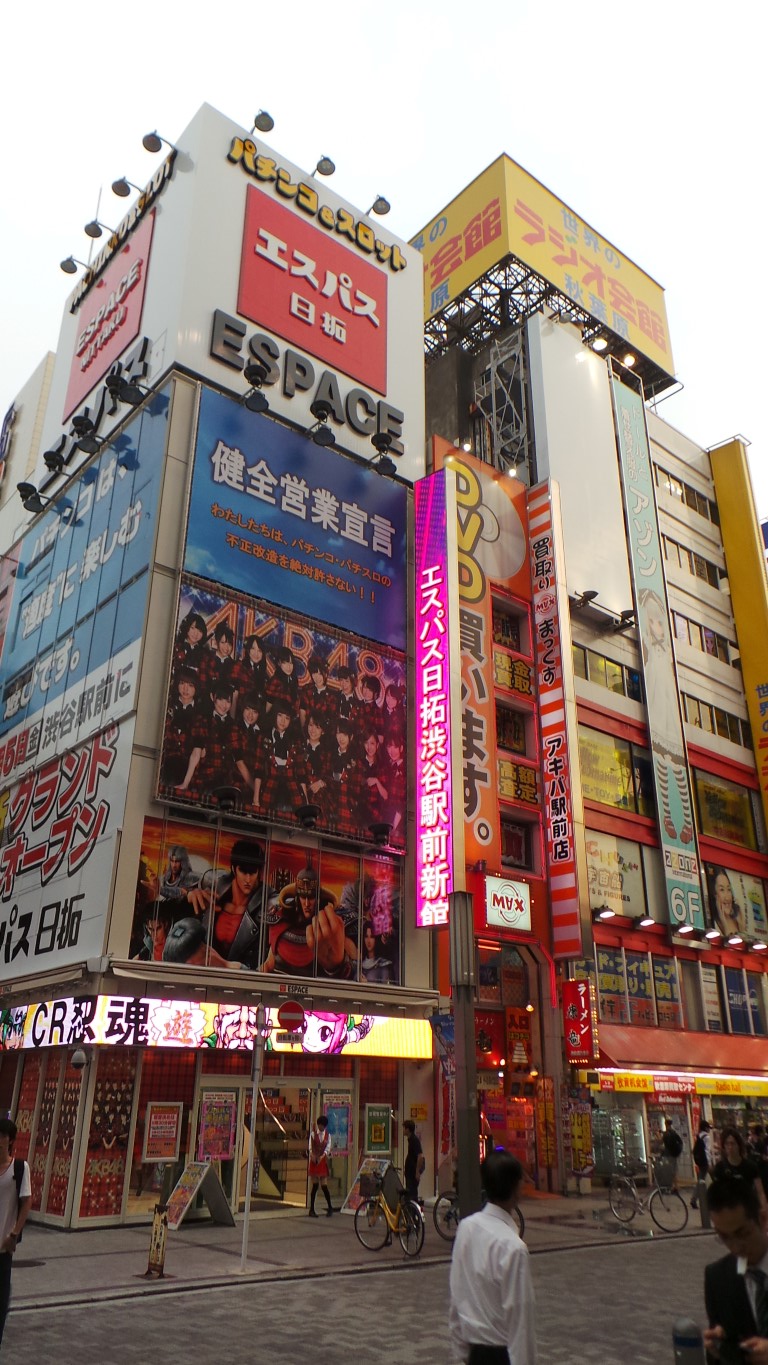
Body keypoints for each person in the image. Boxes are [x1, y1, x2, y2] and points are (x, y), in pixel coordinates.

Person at [449, 1150, 536, 1364]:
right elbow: (520, 1325)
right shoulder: (514, 1247)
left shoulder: (466, 1228)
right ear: (516, 1188)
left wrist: (461, 1355)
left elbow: (456, 1298)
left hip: (474, 1353)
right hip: (501, 1355)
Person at [705, 1176, 768, 1363]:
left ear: (762, 1219)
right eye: (724, 1237)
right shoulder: (718, 1278)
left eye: (743, 1233)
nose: (735, 1247)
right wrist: (718, 1350)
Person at [0, 1117, 32, 1348]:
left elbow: (27, 1201)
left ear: (10, 1140)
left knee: (0, 1307)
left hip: (2, 1251)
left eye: (1, 1136)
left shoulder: (19, 1168)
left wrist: (14, 1234)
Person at [712, 1126, 768, 1225]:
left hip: (748, 1213)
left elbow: (760, 1192)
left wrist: (764, 1209)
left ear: (739, 1145)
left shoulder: (750, 1167)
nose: (730, 1147)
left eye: (732, 1143)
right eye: (727, 1144)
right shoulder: (720, 1168)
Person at [307, 1114, 333, 1218]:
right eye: (319, 1125)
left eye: (321, 1125)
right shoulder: (313, 1134)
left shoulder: (328, 1135)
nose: (320, 1127)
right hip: (314, 1161)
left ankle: (330, 1207)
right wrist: (312, 1155)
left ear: (325, 1126)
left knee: (324, 1186)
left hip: (322, 1161)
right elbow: (310, 1147)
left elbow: (328, 1148)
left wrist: (322, 1156)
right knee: (315, 1186)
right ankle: (312, 1209)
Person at [709, 867, 746, 939]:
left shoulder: (738, 917)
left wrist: (741, 926)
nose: (727, 898)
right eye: (722, 890)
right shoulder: (712, 924)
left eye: (729, 889)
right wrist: (724, 924)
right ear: (714, 894)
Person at [691, 1119, 713, 1210]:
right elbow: (707, 1151)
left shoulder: (699, 1135)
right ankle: (694, 1199)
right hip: (705, 1162)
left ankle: (695, 1198)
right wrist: (709, 1162)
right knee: (701, 1181)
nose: (709, 1129)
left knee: (701, 1180)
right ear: (705, 1128)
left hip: (700, 1161)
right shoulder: (706, 1137)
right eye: (708, 1127)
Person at [403, 1119, 425, 1204]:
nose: (403, 1130)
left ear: (408, 1129)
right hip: (410, 1172)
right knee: (410, 1193)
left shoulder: (414, 1140)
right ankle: (411, 1213)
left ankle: (414, 1213)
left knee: (412, 1194)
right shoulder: (410, 1140)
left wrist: (417, 1172)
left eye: (404, 1128)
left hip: (412, 1173)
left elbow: (420, 1156)